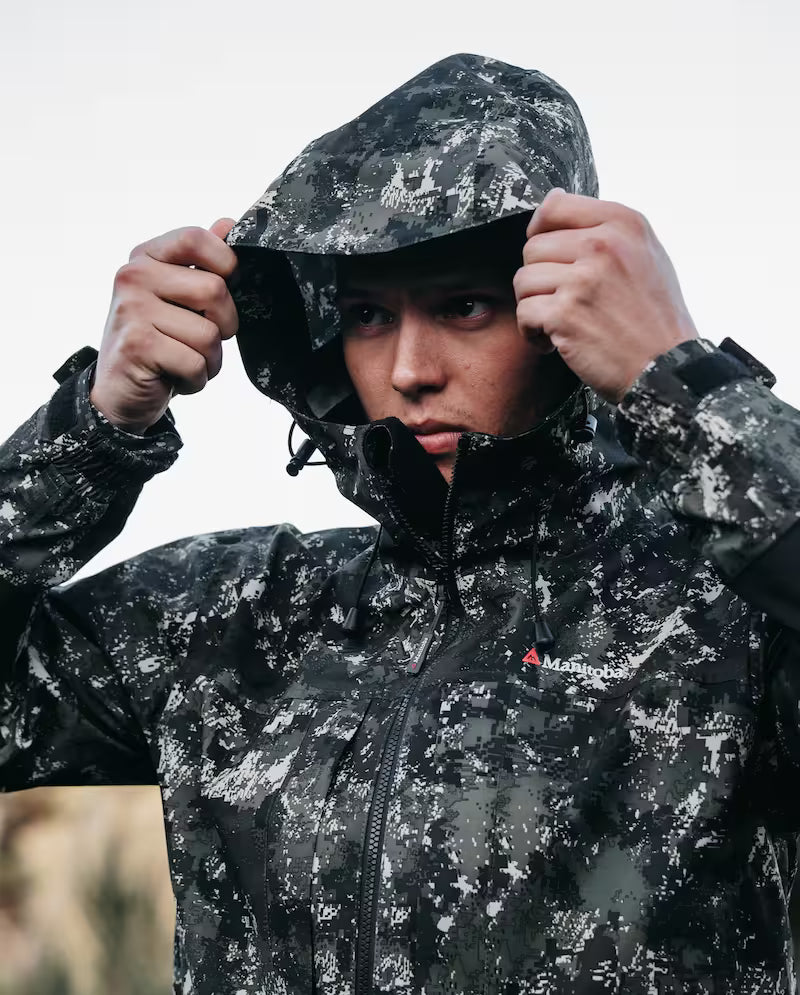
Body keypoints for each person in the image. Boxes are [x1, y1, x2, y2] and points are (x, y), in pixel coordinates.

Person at [1, 50, 799, 995]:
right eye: (369, 316)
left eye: (464, 306)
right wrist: (90, 431)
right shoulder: (237, 614)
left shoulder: (719, 616)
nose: (411, 368)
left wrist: (680, 381)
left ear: (564, 317)